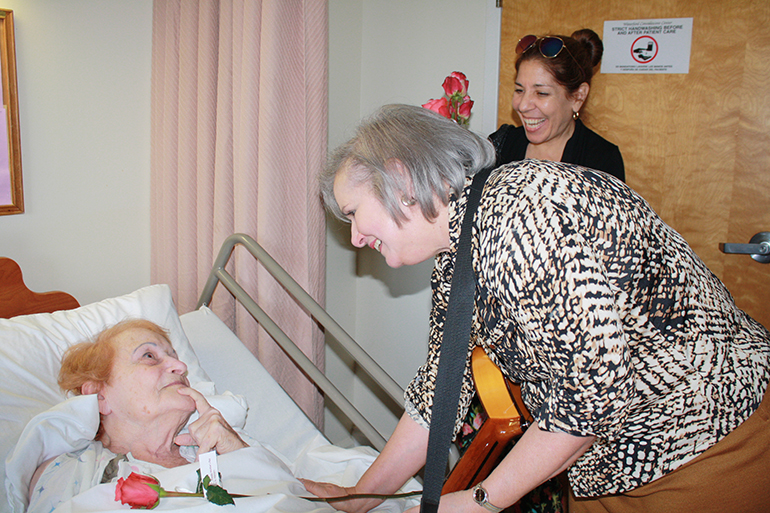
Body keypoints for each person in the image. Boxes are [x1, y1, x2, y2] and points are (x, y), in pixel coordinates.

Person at [302, 104, 770, 513]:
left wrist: (482, 500)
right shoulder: (457, 254)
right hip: (606, 462)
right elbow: (439, 392)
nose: (355, 238)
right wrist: (357, 501)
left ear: (401, 179)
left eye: (352, 213)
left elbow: (589, 401)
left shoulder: (522, 217)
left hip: (705, 442)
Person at [27, 319, 248, 509]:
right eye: (149, 355)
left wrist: (241, 456)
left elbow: (280, 498)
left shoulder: (223, 442)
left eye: (174, 356)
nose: (180, 366)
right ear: (99, 395)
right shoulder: (72, 473)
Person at [490, 29, 625, 181]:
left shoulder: (601, 160)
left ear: (578, 97)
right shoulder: (500, 145)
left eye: (541, 93)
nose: (523, 106)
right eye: (519, 90)